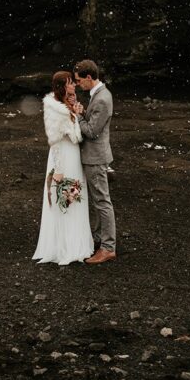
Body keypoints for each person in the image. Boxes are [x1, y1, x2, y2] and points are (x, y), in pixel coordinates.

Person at [32, 71, 95, 265]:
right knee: (63, 198)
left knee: (75, 197)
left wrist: (78, 114)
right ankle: (62, 246)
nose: (74, 85)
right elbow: (55, 141)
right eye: (70, 83)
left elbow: (75, 131)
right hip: (63, 158)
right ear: (62, 86)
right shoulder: (54, 108)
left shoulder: (67, 104)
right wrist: (58, 169)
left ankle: (76, 242)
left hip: (74, 156)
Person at [74, 59, 117, 264]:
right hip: (95, 157)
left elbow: (92, 132)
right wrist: (83, 112)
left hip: (95, 158)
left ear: (89, 77)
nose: (78, 85)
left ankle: (108, 247)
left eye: (79, 81)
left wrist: (78, 117)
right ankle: (99, 238)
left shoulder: (101, 99)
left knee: (102, 201)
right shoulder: (98, 95)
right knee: (99, 200)